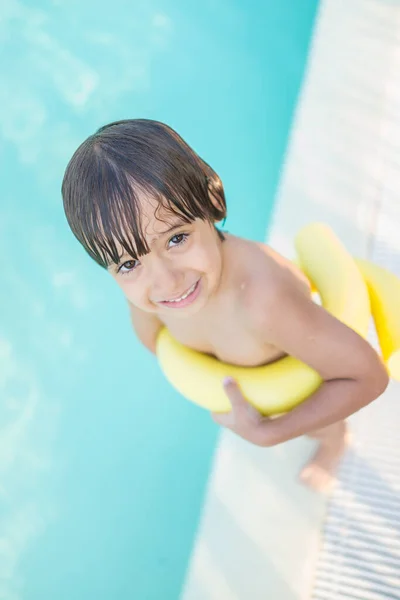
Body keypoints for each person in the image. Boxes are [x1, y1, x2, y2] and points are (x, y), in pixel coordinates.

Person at [62, 119, 389, 491]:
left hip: (309, 379)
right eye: (129, 263)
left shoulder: (263, 302)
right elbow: (154, 343)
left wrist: (272, 431)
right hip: (256, 384)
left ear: (213, 203)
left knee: (321, 427)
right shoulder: (149, 299)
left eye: (177, 238)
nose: (167, 282)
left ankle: (336, 444)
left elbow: (367, 376)